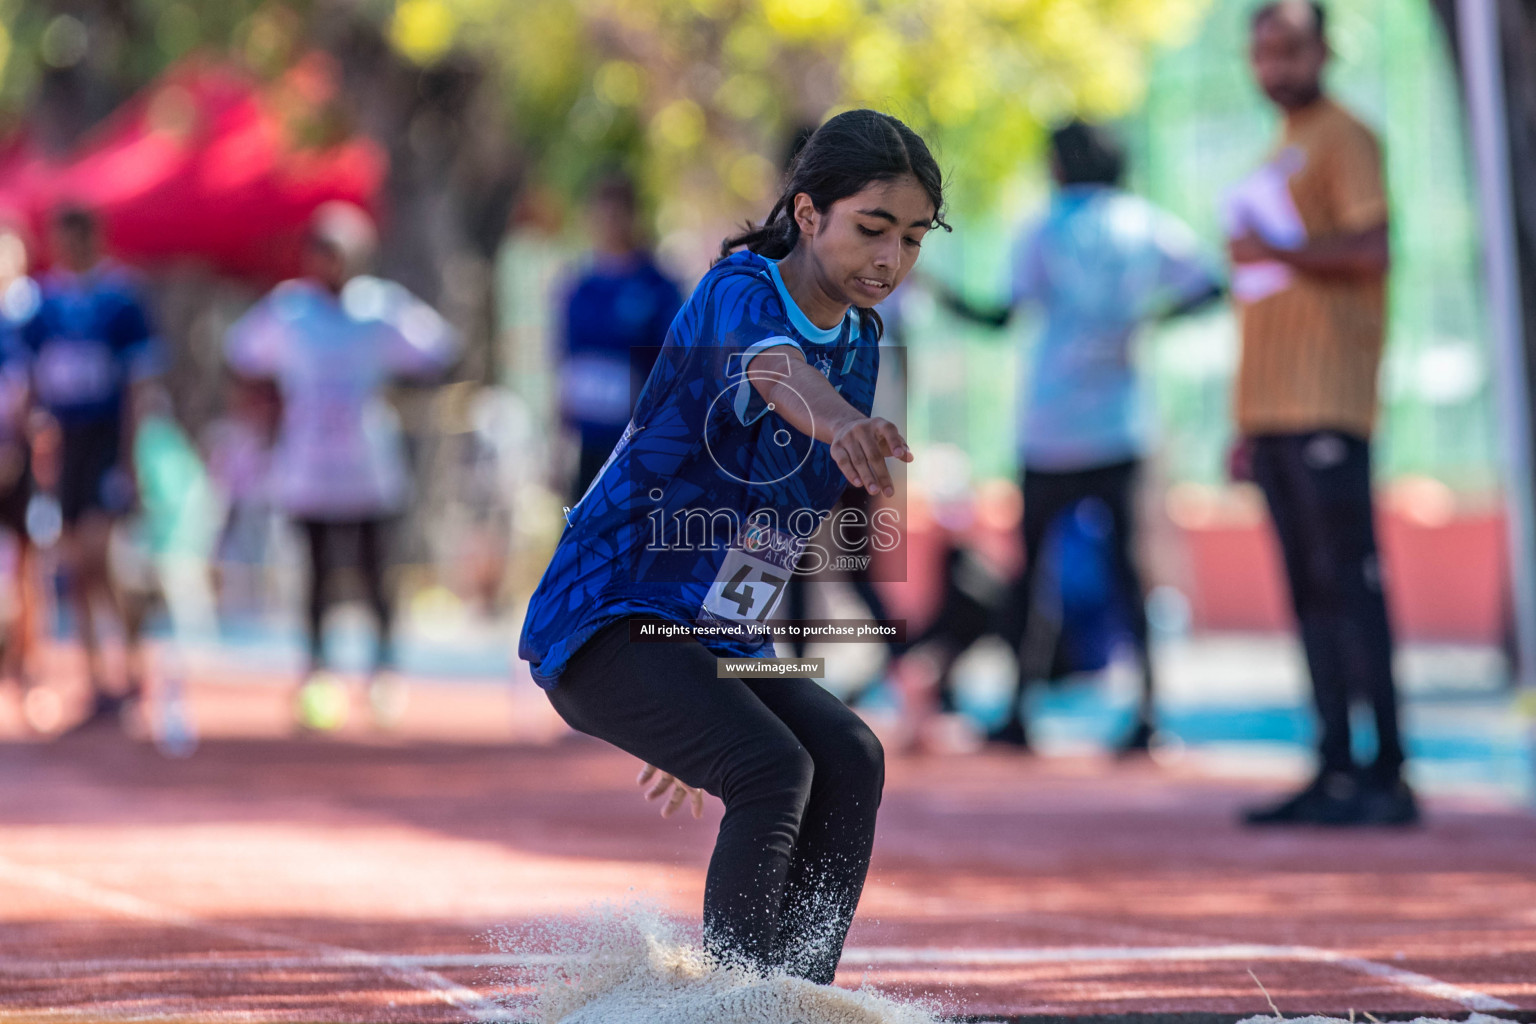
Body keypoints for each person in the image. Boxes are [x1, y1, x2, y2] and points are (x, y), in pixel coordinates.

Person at [518, 109, 945, 983]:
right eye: (871, 229)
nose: (889, 260)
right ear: (808, 212)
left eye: (911, 239)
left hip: (700, 631)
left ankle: (793, 993)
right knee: (771, 765)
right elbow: (776, 371)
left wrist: (717, 684)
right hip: (603, 615)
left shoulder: (862, 339)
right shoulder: (737, 289)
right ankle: (730, 1006)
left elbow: (778, 524)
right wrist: (844, 426)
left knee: (852, 754)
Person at [936, 120, 1221, 753]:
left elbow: (1004, 314)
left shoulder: (1042, 227)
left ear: (1059, 165)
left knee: (1033, 570)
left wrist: (944, 297)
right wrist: (1147, 321)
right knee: (1128, 571)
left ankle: (1018, 710)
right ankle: (1147, 712)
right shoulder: (1146, 223)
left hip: (1049, 426)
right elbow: (1210, 286)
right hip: (1121, 422)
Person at [1227, 0, 1413, 826]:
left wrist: (1280, 252)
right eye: (1264, 52)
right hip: (1273, 411)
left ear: (1325, 50)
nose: (1276, 66)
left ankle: (1390, 775)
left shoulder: (1348, 137)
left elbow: (1371, 249)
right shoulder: (1279, 148)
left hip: (1328, 401)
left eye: (1291, 49)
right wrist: (1245, 421)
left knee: (1351, 588)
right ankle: (1334, 765)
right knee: (1309, 593)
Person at [224, 201, 458, 729]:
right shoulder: (290, 311)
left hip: (369, 465)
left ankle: (383, 676)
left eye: (338, 252)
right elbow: (240, 354)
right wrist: (263, 412)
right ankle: (316, 675)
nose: (328, 263)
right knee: (317, 574)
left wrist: (401, 392)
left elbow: (442, 352)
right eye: (320, 252)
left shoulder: (382, 309)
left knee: (377, 573)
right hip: (307, 466)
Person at [18, 206, 161, 729]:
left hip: (104, 441)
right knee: (77, 568)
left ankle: (133, 663)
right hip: (67, 444)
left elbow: (138, 385)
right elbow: (32, 381)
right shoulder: (44, 301)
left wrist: (130, 457)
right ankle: (98, 678)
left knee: (101, 556)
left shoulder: (121, 298)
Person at [556, 173, 683, 503]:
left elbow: (675, 365)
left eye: (617, 213)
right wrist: (557, 445)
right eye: (601, 213)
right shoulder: (579, 288)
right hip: (586, 444)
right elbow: (564, 362)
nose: (608, 223)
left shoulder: (658, 287)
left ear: (633, 215)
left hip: (637, 446)